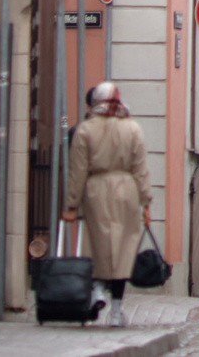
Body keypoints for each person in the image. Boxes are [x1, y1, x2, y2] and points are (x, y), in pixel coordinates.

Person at [65, 81, 152, 327]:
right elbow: (141, 168)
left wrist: (72, 204)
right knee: (122, 251)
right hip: (126, 190)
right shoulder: (132, 129)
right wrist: (146, 202)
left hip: (96, 189)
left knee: (96, 244)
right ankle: (116, 310)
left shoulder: (85, 130)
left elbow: (77, 171)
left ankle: (97, 290)